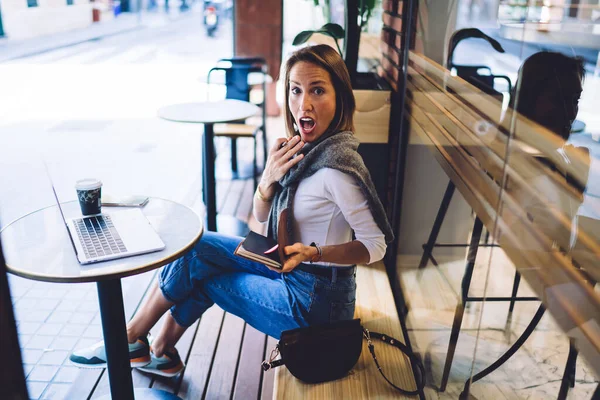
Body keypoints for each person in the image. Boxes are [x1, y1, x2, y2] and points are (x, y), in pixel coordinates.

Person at [69, 44, 393, 377]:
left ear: (340, 96)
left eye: (318, 90)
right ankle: (140, 343)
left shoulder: (338, 167)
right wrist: (268, 180)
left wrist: (313, 252)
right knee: (195, 247)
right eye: (295, 90)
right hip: (283, 260)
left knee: (210, 278)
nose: (303, 104)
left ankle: (147, 347)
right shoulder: (301, 151)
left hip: (316, 299)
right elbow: (263, 217)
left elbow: (375, 246)